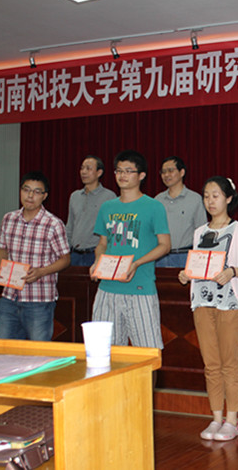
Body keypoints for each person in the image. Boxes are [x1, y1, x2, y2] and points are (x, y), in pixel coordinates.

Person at [178, 176, 238, 442]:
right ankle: (216, 418)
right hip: (202, 303)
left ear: (228, 199)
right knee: (211, 364)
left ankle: (232, 420)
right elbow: (197, 265)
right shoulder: (199, 232)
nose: (210, 201)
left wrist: (233, 271)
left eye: (215, 196)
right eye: (206, 196)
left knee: (229, 363)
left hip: (231, 303)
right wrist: (186, 274)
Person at [91, 150, 170, 349]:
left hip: (140, 288)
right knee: (104, 350)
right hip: (107, 289)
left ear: (141, 175)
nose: (122, 175)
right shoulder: (107, 207)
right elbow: (102, 243)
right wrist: (98, 261)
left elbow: (165, 245)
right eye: (118, 171)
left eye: (128, 171)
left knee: (147, 351)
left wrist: (137, 263)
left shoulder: (154, 206)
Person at [0, 171, 70, 340]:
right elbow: (3, 249)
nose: (30, 195)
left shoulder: (53, 224)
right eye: (26, 189)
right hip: (9, 296)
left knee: (38, 352)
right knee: (3, 350)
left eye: (36, 192)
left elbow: (65, 259)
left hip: (39, 300)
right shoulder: (8, 219)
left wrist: (41, 271)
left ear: (44, 196)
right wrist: (0, 264)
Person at [155, 156, 207, 267]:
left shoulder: (195, 199)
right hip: (160, 257)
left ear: (182, 172)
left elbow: (201, 232)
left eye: (170, 170)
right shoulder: (157, 200)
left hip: (185, 256)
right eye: (163, 172)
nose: (166, 175)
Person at [66, 155, 116, 267]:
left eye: (88, 169)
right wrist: (66, 251)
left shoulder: (109, 197)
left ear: (99, 173)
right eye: (82, 168)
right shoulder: (75, 196)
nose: (83, 172)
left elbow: (112, 231)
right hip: (75, 254)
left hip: (95, 254)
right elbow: (70, 226)